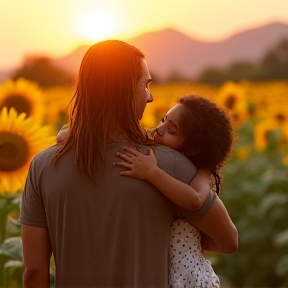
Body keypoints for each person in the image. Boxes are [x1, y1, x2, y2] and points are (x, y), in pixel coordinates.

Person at [19, 40, 227, 288]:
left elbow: (34, 272)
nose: (150, 97)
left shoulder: (42, 166)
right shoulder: (167, 165)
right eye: (146, 85)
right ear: (125, 90)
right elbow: (227, 240)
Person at [114, 94, 238, 288]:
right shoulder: (155, 146)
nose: (159, 129)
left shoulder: (200, 175)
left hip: (189, 279)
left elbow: (195, 200)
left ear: (193, 150)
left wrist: (152, 173)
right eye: (163, 119)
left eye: (171, 130)